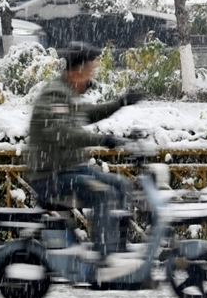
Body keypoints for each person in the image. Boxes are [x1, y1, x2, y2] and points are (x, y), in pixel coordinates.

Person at [26, 41, 143, 261]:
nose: (92, 79)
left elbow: (87, 114)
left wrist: (120, 103)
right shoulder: (54, 95)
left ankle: (118, 247)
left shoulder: (67, 93)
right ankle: (105, 257)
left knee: (122, 185)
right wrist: (103, 139)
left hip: (70, 170)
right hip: (50, 177)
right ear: (78, 72)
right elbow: (63, 133)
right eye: (90, 72)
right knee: (104, 194)